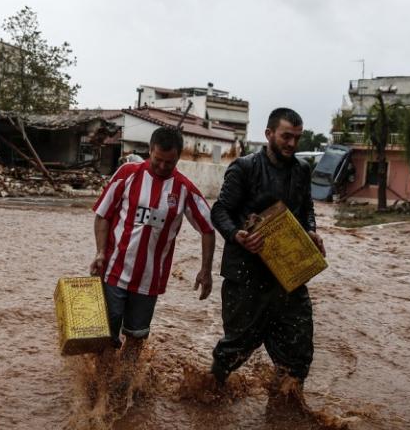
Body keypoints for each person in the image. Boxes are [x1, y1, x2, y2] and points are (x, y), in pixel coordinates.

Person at [209, 108, 326, 395]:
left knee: (298, 352)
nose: (292, 144)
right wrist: (237, 235)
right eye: (286, 136)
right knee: (236, 348)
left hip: (288, 273)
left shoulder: (301, 170)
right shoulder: (244, 168)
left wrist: (311, 230)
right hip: (246, 273)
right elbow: (220, 210)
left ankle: (283, 411)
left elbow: (306, 209)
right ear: (269, 134)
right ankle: (209, 394)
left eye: (297, 138)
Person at [90, 127, 216, 356]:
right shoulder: (127, 173)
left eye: (170, 163)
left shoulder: (184, 189)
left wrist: (206, 270)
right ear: (149, 150)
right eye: (157, 160)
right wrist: (100, 252)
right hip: (113, 272)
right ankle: (99, 387)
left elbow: (208, 229)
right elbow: (102, 215)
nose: (162, 167)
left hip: (149, 281)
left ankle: (124, 388)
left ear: (178, 157)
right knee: (105, 337)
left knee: (136, 340)